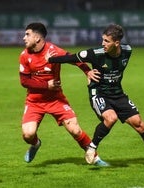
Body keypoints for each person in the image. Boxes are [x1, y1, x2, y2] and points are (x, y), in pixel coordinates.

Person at [46, 24, 144, 166]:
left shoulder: (127, 51)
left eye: (106, 41)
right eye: (103, 40)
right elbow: (71, 58)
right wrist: (50, 60)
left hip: (118, 94)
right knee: (111, 118)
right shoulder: (95, 54)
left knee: (140, 124)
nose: (103, 43)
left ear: (116, 43)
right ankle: (91, 148)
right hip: (99, 93)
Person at [18, 22, 108, 166]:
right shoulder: (24, 55)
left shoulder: (53, 51)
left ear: (37, 38)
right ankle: (35, 144)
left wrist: (87, 71)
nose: (24, 38)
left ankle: (95, 158)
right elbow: (24, 81)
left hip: (56, 100)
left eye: (27, 34)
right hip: (34, 101)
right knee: (28, 135)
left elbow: (75, 59)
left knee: (75, 130)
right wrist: (46, 85)